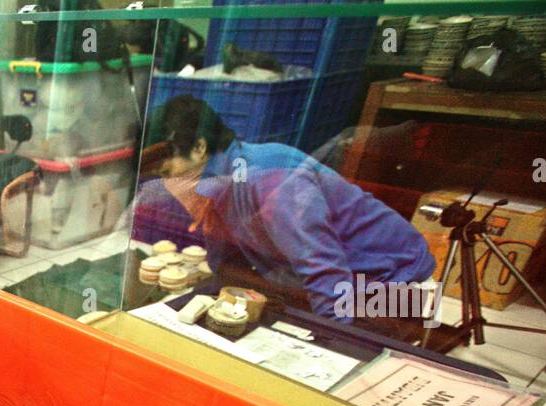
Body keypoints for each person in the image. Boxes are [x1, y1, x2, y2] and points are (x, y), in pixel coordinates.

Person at [138, 95, 436, 327]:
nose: (169, 183)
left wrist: (331, 341)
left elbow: (324, 269)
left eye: (167, 171)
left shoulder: (272, 180)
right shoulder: (221, 183)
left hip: (394, 284)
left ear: (199, 148)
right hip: (326, 282)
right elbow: (224, 263)